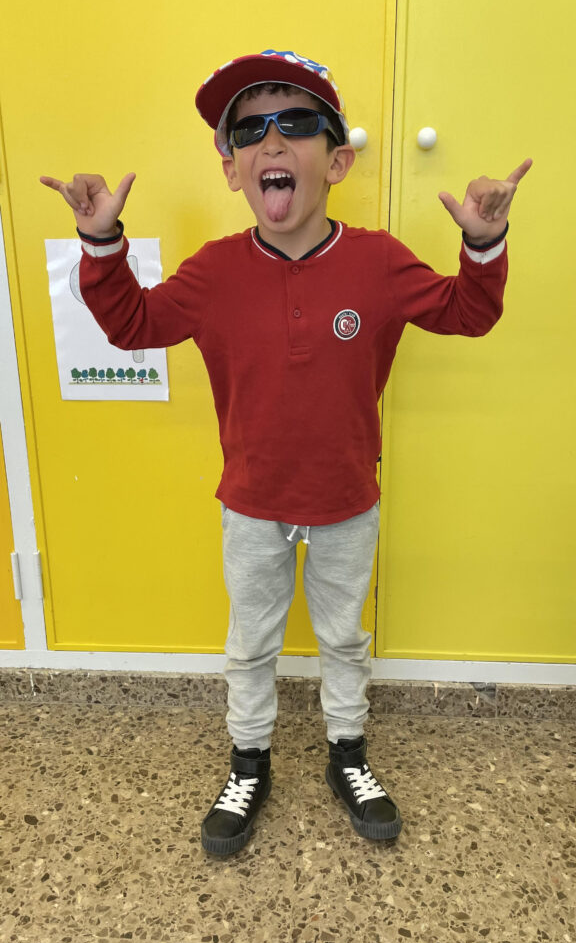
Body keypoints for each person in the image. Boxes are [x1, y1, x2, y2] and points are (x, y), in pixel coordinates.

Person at [40, 49, 532, 857]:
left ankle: (348, 754)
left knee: (343, 638)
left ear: (336, 161)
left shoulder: (378, 261)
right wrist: (101, 241)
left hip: (346, 499)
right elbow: (132, 324)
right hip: (251, 500)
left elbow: (466, 313)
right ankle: (249, 762)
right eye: (249, 130)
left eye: (297, 123)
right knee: (251, 643)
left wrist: (483, 245)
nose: (272, 140)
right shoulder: (214, 272)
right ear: (231, 169)